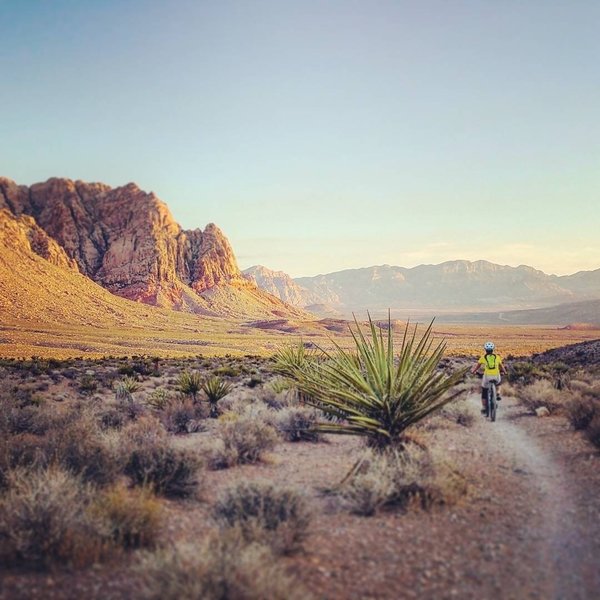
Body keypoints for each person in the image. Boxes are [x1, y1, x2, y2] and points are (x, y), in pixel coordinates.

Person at [471, 341, 507, 415]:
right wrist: (504, 372)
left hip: (487, 376)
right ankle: (497, 393)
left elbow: (478, 366)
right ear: (493, 349)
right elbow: (501, 366)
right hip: (496, 375)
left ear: (485, 349)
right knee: (499, 384)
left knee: (484, 390)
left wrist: (474, 371)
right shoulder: (497, 357)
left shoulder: (483, 357)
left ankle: (484, 407)